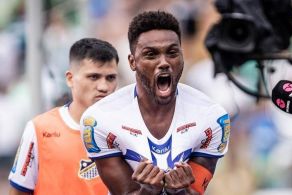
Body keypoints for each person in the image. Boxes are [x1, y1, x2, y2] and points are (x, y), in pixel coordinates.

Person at [81, 11, 231, 195]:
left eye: (172, 53)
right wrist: (148, 192)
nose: (164, 63)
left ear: (183, 56)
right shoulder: (99, 119)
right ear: (132, 62)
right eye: (151, 55)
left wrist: (181, 192)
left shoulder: (213, 117)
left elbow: (195, 191)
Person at [8, 38, 119, 194]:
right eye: (94, 77)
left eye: (111, 78)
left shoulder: (125, 129)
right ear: (70, 79)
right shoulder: (40, 129)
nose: (104, 87)